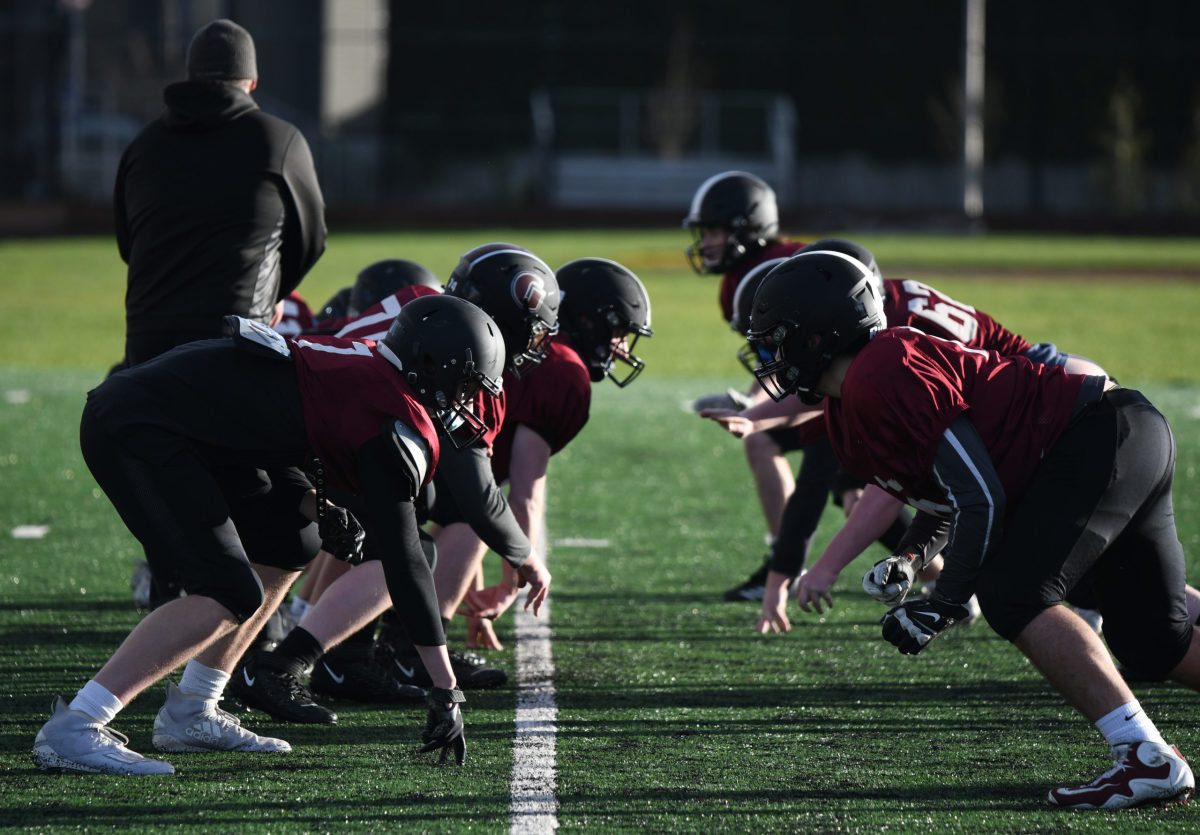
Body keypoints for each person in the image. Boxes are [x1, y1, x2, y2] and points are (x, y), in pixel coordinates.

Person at [744, 249, 1198, 809]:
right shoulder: (851, 401)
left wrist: (947, 601)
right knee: (1154, 640)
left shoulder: (883, 369)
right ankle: (1146, 758)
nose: (768, 357)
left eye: (777, 339)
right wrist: (911, 559)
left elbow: (980, 495)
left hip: (1095, 437)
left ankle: (1145, 758)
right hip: (1115, 438)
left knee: (1013, 594)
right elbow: (947, 496)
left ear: (818, 337)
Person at [31, 295, 502, 773]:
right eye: (464, 385)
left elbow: (270, 423)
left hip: (201, 430)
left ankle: (193, 708)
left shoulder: (371, 370)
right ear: (428, 363)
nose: (466, 401)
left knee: (291, 540)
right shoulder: (389, 416)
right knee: (227, 591)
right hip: (143, 426)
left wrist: (313, 506)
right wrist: (445, 687)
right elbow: (406, 562)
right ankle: (78, 724)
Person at [231, 245, 556, 720]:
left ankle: (346, 658)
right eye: (534, 330)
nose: (536, 343)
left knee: (412, 505)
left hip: (291, 432)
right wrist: (525, 558)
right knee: (405, 547)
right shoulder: (462, 346)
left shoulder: (424, 307)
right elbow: (476, 489)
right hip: (303, 448)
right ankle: (285, 664)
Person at [446, 256, 654, 657]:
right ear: (590, 322)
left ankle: (390, 640)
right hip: (446, 472)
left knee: (452, 512)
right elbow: (523, 492)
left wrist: (468, 592)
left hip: (426, 462)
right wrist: (511, 581)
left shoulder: (537, 350)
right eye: (619, 333)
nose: (622, 349)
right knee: (475, 514)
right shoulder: (562, 370)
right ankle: (411, 649)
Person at [115, 18, 325, 365]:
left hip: (146, 340)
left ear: (190, 77)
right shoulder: (278, 141)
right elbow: (311, 239)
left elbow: (129, 244)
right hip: (236, 339)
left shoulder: (144, 145)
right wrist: (272, 291)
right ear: (253, 82)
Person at [682, 171, 809, 601]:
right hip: (817, 387)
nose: (708, 242)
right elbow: (776, 357)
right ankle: (785, 560)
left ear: (747, 226)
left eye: (715, 231)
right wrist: (754, 403)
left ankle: (942, 582)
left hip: (842, 389)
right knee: (764, 441)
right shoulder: (736, 282)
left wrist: (755, 406)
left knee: (857, 487)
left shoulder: (788, 264)